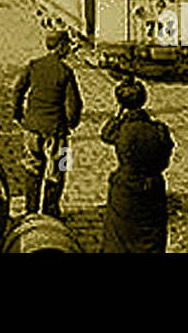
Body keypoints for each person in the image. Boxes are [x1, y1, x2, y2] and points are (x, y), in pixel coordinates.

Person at [12, 29, 83, 218]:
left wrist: (19, 114)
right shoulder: (66, 72)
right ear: (60, 47)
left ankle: (31, 210)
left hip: (32, 128)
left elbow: (18, 90)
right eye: (67, 45)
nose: (68, 49)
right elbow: (74, 105)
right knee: (59, 169)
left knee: (32, 168)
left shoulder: (34, 65)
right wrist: (71, 124)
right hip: (57, 131)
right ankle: (51, 210)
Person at [100, 79, 174, 253]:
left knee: (119, 237)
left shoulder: (122, 130)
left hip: (125, 188)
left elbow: (105, 134)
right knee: (151, 236)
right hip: (153, 188)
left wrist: (119, 113)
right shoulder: (159, 129)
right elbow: (166, 159)